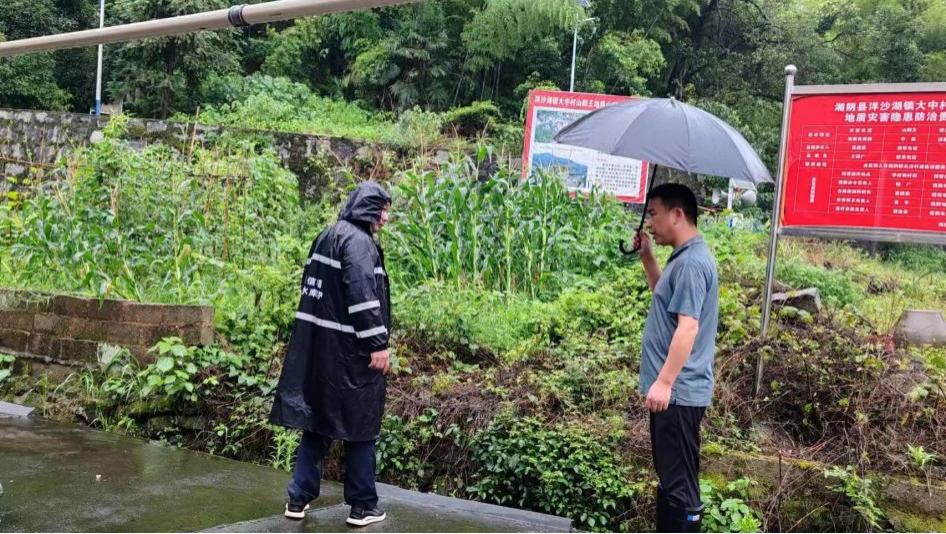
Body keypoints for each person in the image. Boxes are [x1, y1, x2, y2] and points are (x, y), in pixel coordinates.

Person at [270, 181, 393, 527]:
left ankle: (298, 497)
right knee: (361, 427)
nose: (385, 218)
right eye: (382, 210)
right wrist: (377, 345)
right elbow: (362, 297)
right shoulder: (358, 243)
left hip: (320, 351)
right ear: (368, 208)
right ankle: (363, 505)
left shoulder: (327, 235)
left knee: (318, 423)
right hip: (351, 355)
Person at [633, 183, 720, 534]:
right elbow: (664, 298)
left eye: (653, 213)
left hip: (678, 394)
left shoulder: (691, 264)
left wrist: (665, 382)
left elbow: (688, 328)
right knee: (672, 482)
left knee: (681, 488)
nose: (650, 222)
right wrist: (648, 257)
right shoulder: (683, 258)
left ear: (677, 215)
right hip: (674, 395)